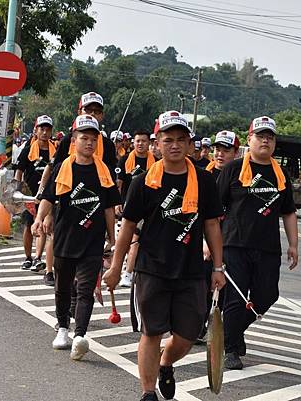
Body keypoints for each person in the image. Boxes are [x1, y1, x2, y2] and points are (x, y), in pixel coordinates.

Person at [103, 111, 226, 401]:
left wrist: (218, 267)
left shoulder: (205, 182)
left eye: (181, 140)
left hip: (191, 270)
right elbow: (128, 226)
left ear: (190, 145)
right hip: (152, 269)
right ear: (157, 143)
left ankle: (165, 363)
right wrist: (116, 266)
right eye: (167, 139)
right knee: (151, 331)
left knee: (187, 335)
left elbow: (212, 225)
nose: (174, 145)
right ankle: (148, 392)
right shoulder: (143, 182)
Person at [33, 114, 120, 360]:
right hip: (64, 238)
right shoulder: (63, 168)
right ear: (74, 140)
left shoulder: (103, 172)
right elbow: (49, 198)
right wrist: (40, 218)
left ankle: (80, 335)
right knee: (62, 287)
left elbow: (109, 209)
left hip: (92, 241)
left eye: (94, 139)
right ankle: (62, 328)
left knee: (85, 289)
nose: (90, 143)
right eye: (84, 138)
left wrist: (112, 238)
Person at [217, 116, 299, 370]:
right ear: (250, 139)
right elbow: (215, 209)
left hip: (267, 247)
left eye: (270, 137)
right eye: (260, 135)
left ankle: (233, 331)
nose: (265, 140)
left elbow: (288, 212)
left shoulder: (280, 174)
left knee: (267, 296)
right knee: (235, 298)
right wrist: (210, 243)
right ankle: (230, 349)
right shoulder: (233, 169)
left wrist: (294, 245)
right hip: (234, 244)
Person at [198, 130, 240, 341]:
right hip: (203, 239)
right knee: (203, 283)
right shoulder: (203, 175)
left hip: (230, 239)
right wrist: (205, 241)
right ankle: (199, 324)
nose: (220, 154)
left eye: (226, 150)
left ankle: (220, 328)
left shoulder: (241, 177)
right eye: (217, 150)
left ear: (236, 152)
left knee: (224, 289)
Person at [14, 115, 56, 285]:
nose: (45, 132)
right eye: (42, 129)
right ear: (36, 130)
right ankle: (28, 257)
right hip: (29, 194)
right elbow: (19, 170)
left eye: (48, 129)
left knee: (44, 227)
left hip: (48, 196)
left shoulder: (55, 150)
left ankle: (38, 257)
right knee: (28, 226)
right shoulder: (28, 149)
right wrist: (18, 188)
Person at [115, 130, 156, 287]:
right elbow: (119, 184)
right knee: (123, 240)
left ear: (149, 143)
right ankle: (120, 267)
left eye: (144, 141)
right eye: (137, 141)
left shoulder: (156, 162)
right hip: (127, 206)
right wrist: (118, 202)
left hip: (146, 209)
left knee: (135, 241)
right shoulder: (125, 160)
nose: (140, 144)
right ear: (133, 143)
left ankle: (128, 272)